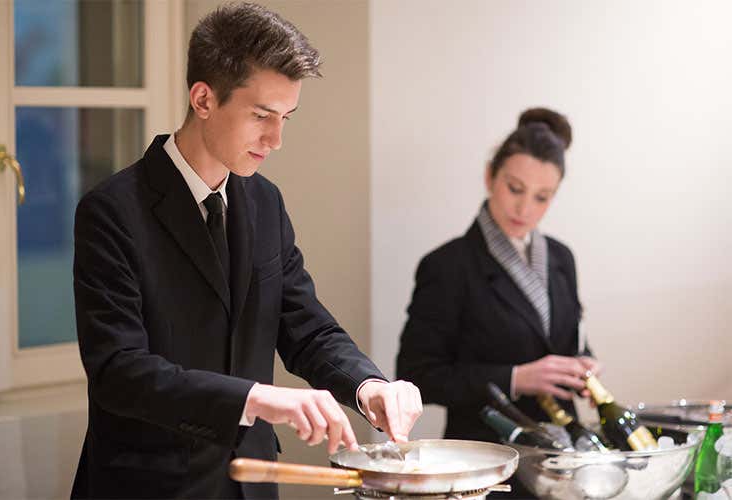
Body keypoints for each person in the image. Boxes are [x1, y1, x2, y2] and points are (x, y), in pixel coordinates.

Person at [71, 3, 422, 499]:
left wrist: (369, 387)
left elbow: (305, 326)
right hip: (150, 485)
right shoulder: (111, 211)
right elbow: (119, 372)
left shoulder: (264, 202)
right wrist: (256, 398)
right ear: (203, 99)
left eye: (286, 118)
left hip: (254, 481)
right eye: (261, 115)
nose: (276, 139)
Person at [396, 108, 601, 494]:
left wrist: (582, 366)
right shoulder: (448, 265)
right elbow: (417, 375)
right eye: (515, 188)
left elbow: (570, 340)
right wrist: (515, 378)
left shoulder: (561, 258)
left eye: (542, 197)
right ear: (490, 176)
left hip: (560, 462)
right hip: (485, 464)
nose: (525, 209)